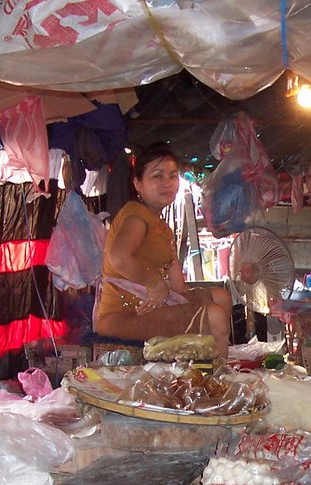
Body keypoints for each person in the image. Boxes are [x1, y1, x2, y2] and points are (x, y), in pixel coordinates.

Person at [93, 144, 232, 357]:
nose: (167, 183)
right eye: (157, 177)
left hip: (150, 309)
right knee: (215, 315)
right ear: (138, 184)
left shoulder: (162, 228)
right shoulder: (136, 215)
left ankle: (211, 369)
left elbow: (178, 284)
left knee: (220, 297)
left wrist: (181, 299)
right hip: (122, 315)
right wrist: (155, 285)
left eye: (172, 176)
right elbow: (118, 256)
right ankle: (216, 378)